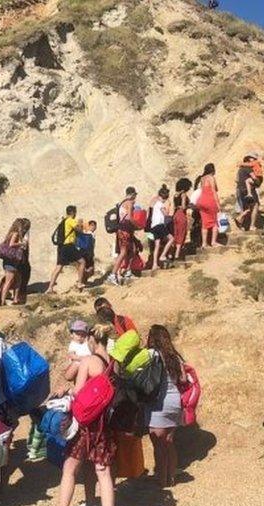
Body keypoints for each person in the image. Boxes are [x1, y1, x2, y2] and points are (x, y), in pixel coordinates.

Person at [43, 324, 116, 506]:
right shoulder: (114, 364)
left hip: (85, 425)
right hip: (105, 425)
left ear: (92, 341)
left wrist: (65, 391)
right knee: (104, 473)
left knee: (69, 470)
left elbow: (78, 392)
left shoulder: (88, 361)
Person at [145, 325, 187, 488]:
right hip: (175, 401)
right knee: (169, 442)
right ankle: (171, 478)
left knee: (158, 445)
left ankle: (161, 480)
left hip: (158, 403)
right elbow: (183, 379)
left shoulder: (151, 354)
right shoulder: (174, 356)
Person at [47, 205, 86, 293]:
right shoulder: (71, 220)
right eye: (75, 212)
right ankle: (79, 282)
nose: (76, 214)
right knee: (82, 262)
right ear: (72, 212)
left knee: (59, 267)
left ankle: (50, 287)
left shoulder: (63, 221)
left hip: (61, 247)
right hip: (69, 245)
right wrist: (80, 224)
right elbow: (79, 230)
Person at [109, 187, 138, 286]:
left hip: (122, 230)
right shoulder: (129, 203)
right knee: (124, 252)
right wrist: (137, 225)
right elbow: (129, 217)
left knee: (132, 249)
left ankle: (127, 271)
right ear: (132, 194)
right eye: (135, 195)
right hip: (125, 230)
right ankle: (113, 274)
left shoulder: (121, 203)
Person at [0, 219, 29, 305]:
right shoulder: (15, 234)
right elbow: (11, 244)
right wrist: (21, 244)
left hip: (9, 260)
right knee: (9, 281)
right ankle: (2, 301)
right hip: (11, 260)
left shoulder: (10, 233)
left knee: (18, 279)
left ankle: (15, 299)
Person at [148, 186, 175, 270]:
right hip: (159, 225)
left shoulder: (155, 204)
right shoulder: (160, 204)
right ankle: (163, 255)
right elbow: (166, 214)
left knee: (157, 245)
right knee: (171, 239)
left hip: (153, 226)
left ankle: (155, 264)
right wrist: (168, 208)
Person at [194, 164, 221, 247]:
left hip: (201, 201)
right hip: (209, 200)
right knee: (215, 222)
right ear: (213, 170)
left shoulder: (202, 178)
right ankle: (213, 242)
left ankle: (204, 243)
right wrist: (218, 204)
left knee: (205, 223)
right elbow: (214, 191)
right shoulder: (211, 178)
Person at [172, 178, 192, 260]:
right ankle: (177, 254)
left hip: (175, 214)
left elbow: (174, 206)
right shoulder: (183, 195)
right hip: (181, 214)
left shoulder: (175, 195)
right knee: (181, 233)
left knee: (176, 233)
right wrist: (189, 206)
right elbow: (183, 206)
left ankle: (173, 253)